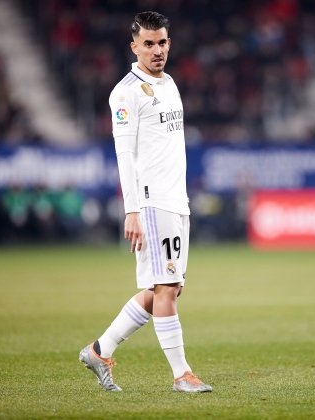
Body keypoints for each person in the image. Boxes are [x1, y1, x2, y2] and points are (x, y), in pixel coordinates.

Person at [79, 11, 212, 393]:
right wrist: (133, 209)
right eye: (149, 44)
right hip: (153, 203)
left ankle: (100, 350)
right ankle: (181, 375)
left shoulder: (169, 83)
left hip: (176, 200)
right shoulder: (124, 93)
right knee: (166, 288)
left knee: (165, 290)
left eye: (163, 42)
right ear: (134, 46)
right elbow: (124, 154)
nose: (157, 51)